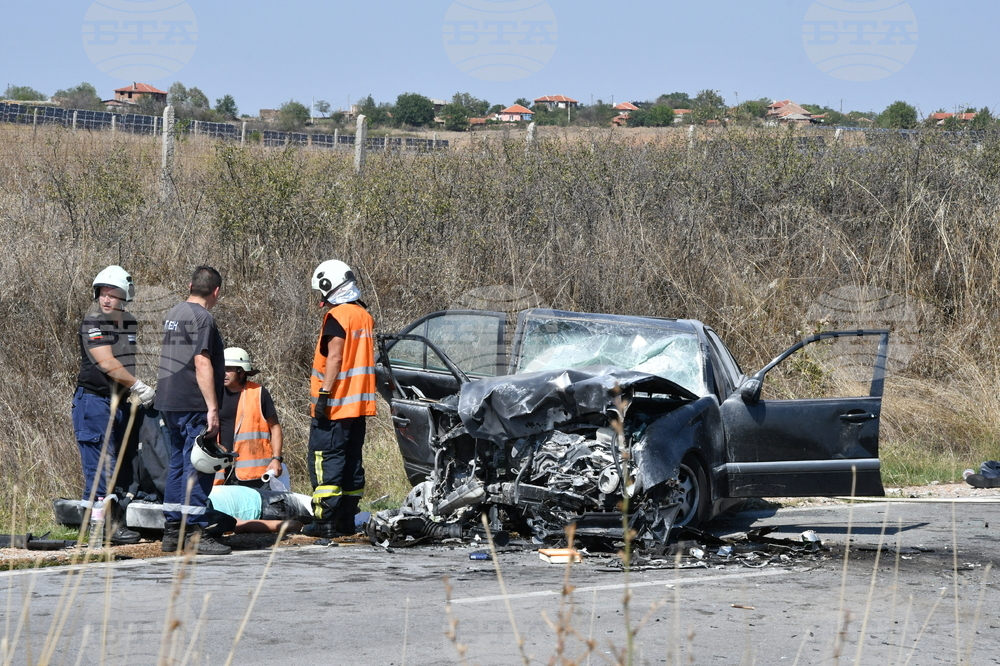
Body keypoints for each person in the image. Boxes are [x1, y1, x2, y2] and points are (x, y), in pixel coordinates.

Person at [73, 266, 152, 545]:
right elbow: (106, 363)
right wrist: (138, 386)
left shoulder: (128, 322)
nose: (105, 300)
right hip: (94, 403)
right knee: (99, 468)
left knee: (116, 468)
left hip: (117, 403)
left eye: (112, 295)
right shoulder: (92, 323)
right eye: (102, 294)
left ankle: (102, 524)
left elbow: (126, 361)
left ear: (125, 297)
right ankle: (100, 530)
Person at [155, 266, 231, 555]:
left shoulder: (175, 313)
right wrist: (213, 408)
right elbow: (201, 362)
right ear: (216, 291)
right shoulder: (203, 319)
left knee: (177, 464)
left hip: (170, 400)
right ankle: (196, 532)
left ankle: (173, 531)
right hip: (192, 402)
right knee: (198, 466)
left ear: (190, 285)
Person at [303, 260, 376, 538]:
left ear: (328, 286)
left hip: (335, 406)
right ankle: (347, 519)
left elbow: (335, 357)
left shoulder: (337, 317)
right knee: (351, 460)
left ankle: (324, 522)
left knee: (326, 460)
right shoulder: (363, 315)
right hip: (358, 406)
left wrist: (324, 395)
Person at [216, 347, 284, 488]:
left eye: (229, 369)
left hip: (254, 474)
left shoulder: (258, 393)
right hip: (221, 470)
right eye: (222, 368)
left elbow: (275, 428)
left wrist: (276, 459)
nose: (224, 373)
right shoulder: (215, 393)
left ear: (241, 372)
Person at [206, 485, 312, 534]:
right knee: (324, 510)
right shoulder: (204, 514)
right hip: (269, 506)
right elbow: (241, 525)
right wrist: (286, 525)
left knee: (323, 506)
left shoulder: (193, 500)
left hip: (259, 496)